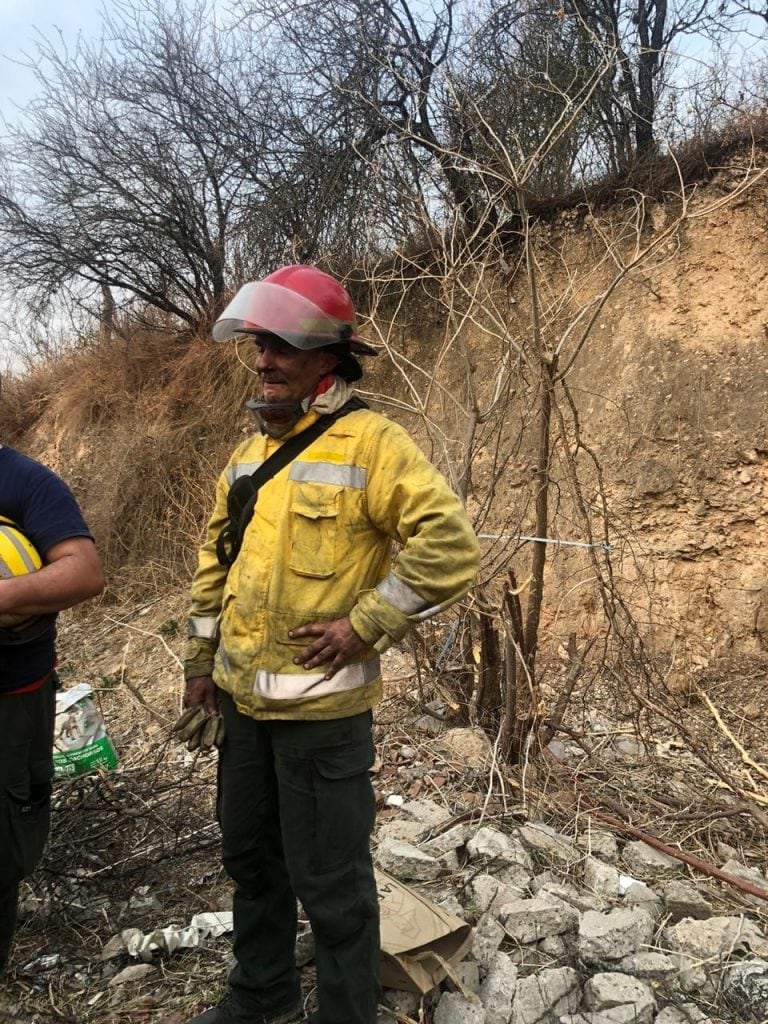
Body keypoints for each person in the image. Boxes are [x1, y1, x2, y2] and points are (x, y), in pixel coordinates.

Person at [182, 264, 480, 1024]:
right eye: (258, 346)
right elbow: (214, 567)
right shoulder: (247, 458)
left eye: (281, 346)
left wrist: (366, 623)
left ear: (326, 359)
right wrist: (198, 665)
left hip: (322, 722)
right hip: (243, 715)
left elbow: (448, 547)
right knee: (252, 864)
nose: (263, 360)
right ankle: (262, 994)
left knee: (333, 882)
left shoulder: (373, 444)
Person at [0, 443, 105, 971]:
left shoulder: (23, 480)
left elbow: (84, 573)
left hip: (11, 702)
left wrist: (4, 596)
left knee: (3, 853)